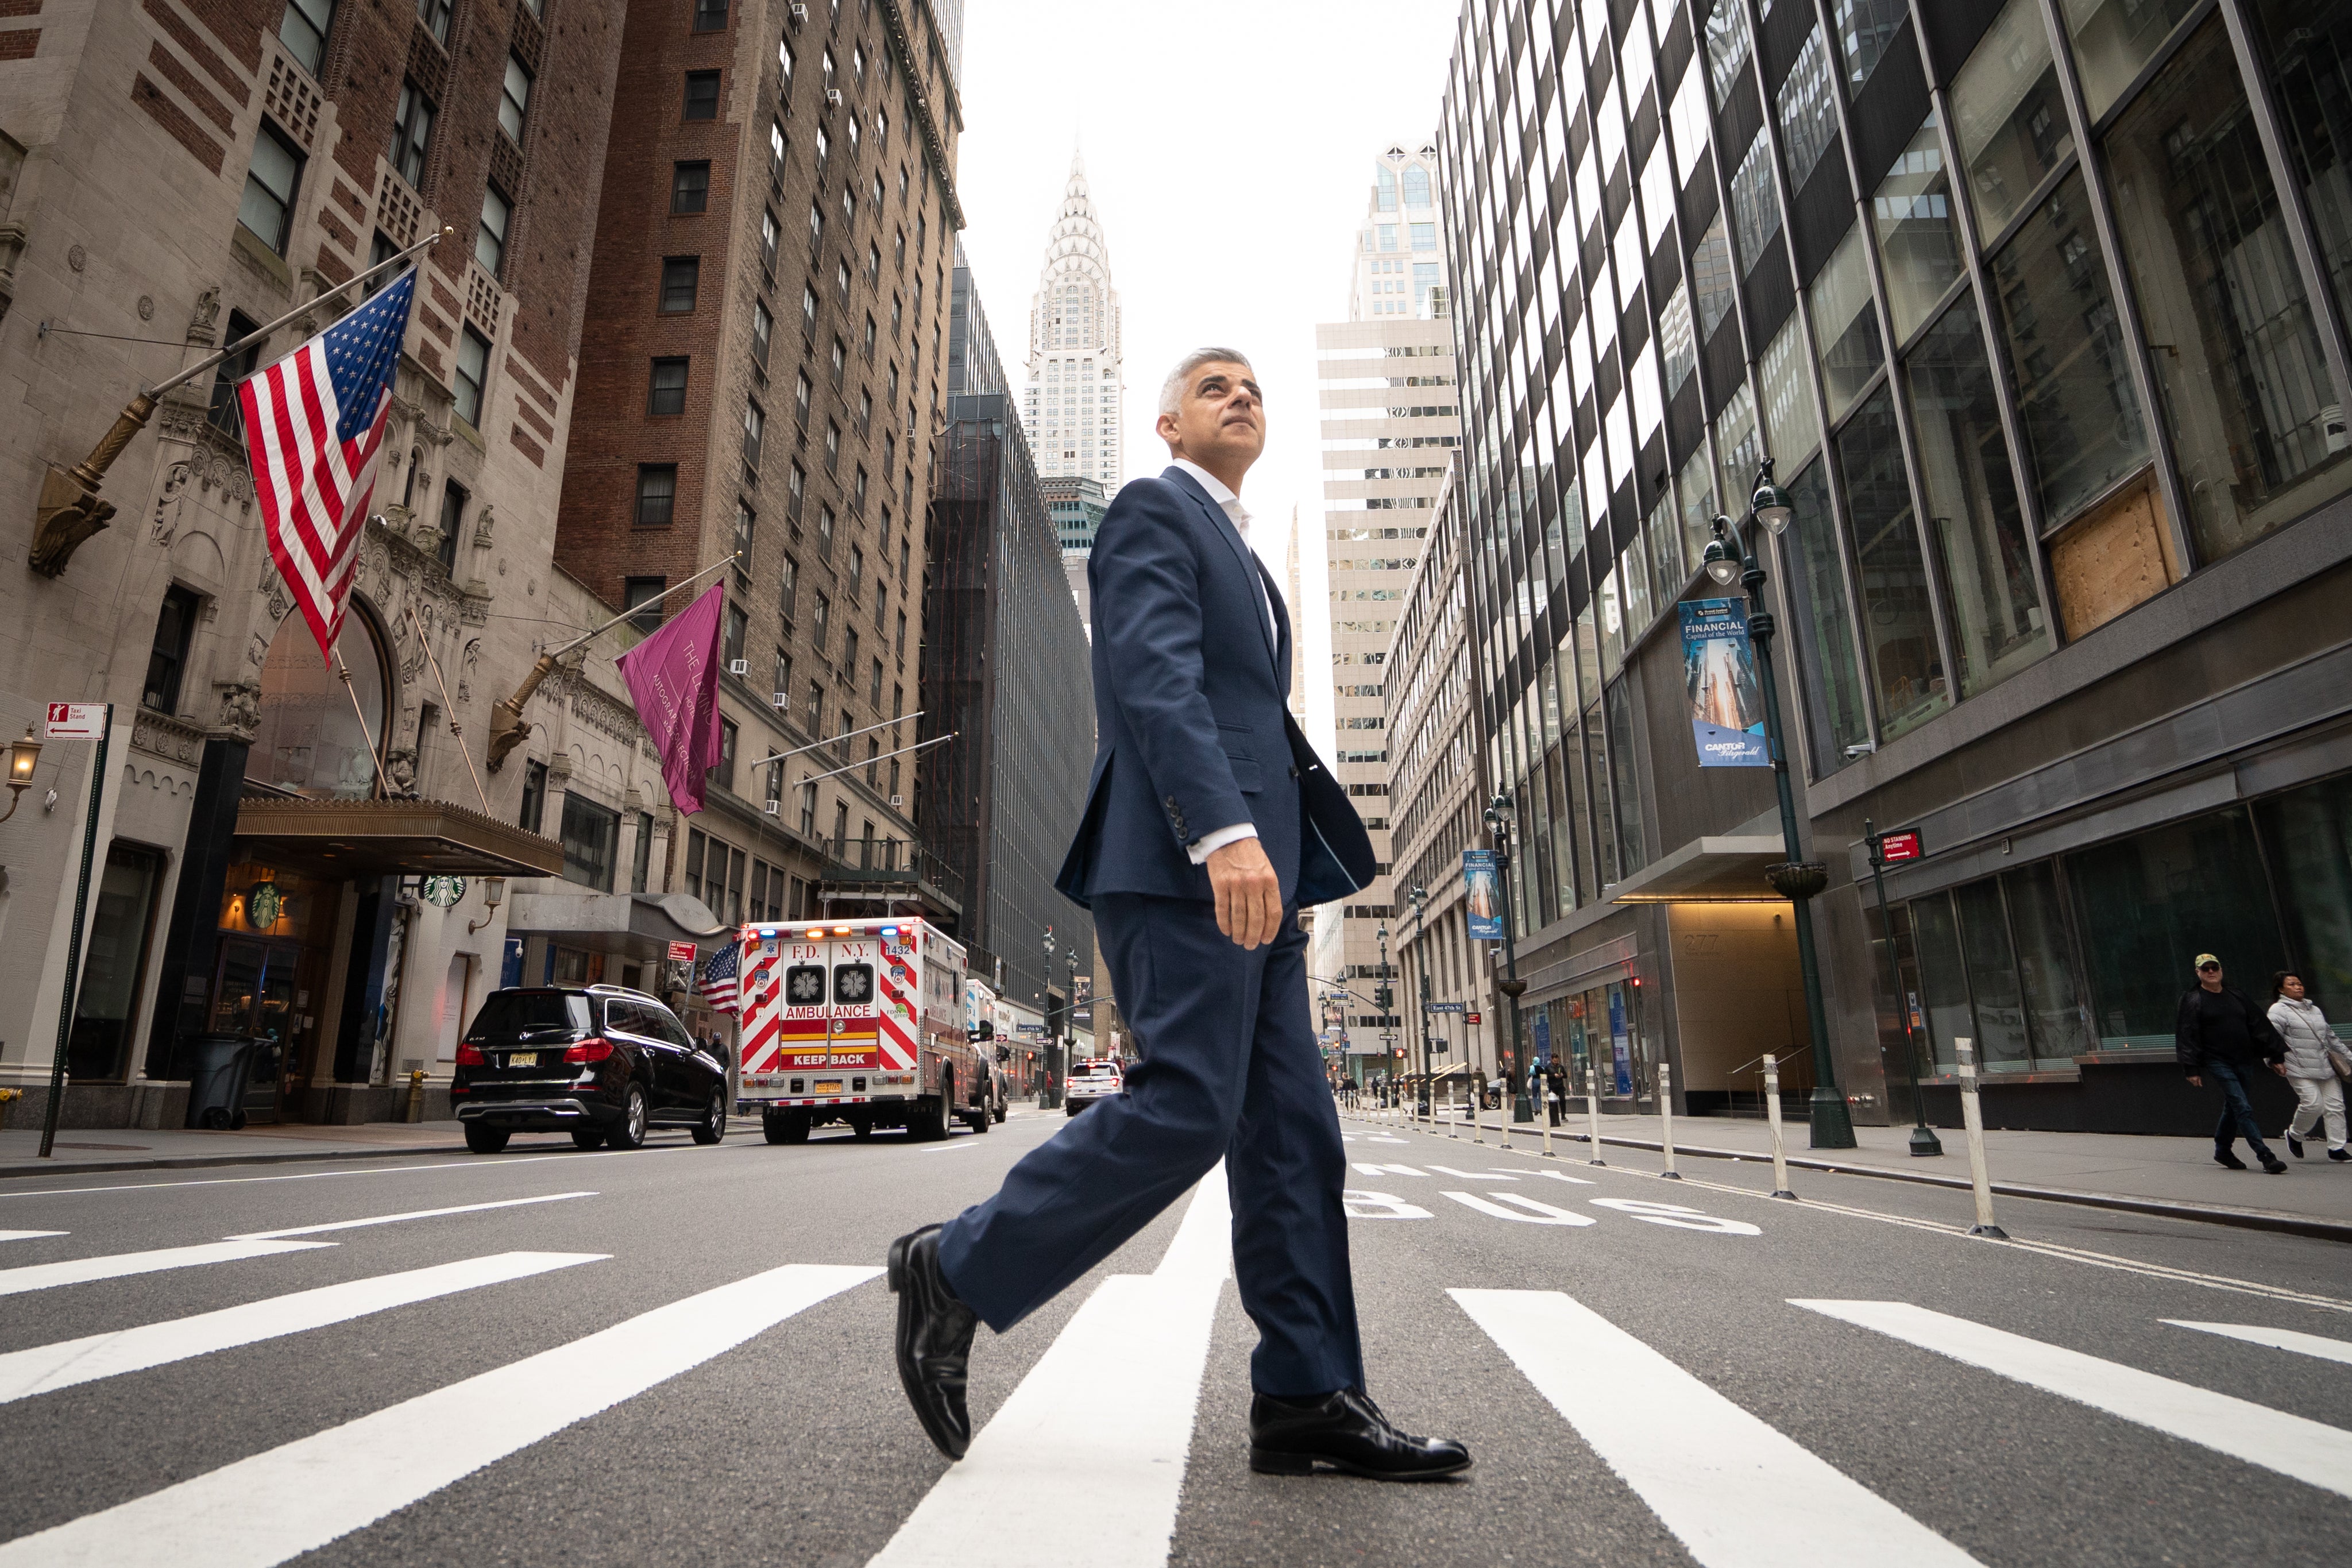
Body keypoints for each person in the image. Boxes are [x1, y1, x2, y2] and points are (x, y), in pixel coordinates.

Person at [885, 348, 1469, 1482]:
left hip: (1265, 887)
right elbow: (1152, 674)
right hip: (1188, 866)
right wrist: (1221, 831)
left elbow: (1244, 707)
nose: (1240, 395)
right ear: (1163, 425)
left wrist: (1273, 853)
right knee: (1188, 1106)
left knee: (1295, 1133)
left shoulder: (1247, 562)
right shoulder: (1153, 513)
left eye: (1251, 384)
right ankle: (954, 1269)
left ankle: (1308, 1393)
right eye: (1212, 385)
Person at [2177, 954, 2289, 1173]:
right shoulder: (2192, 999)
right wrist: (2191, 1068)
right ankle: (2266, 1156)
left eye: (2214, 967)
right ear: (2198, 972)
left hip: (2244, 1059)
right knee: (2242, 1106)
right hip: (2217, 1061)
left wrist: (2276, 1056)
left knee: (2234, 1106)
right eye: (2205, 969)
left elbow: (2259, 1024)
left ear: (2221, 970)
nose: (2211, 972)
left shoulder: (2236, 995)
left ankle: (2223, 1150)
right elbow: (2186, 1034)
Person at [2270, 971, 2349, 1163]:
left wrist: (2349, 1056)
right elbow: (2271, 1037)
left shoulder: (2315, 1010)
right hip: (2298, 1066)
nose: (2298, 987)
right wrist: (2274, 1060)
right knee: (2313, 1104)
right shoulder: (2278, 1010)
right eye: (2292, 984)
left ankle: (2337, 1148)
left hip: (2324, 1066)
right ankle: (2295, 1135)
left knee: (2336, 1107)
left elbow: (2330, 1038)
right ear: (2281, 989)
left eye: (2299, 983)